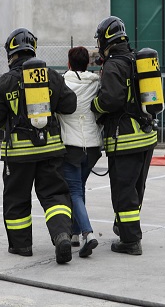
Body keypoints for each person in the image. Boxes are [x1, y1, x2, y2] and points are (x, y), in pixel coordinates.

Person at [0, 28, 77, 264]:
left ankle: (22, 246)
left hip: (18, 155)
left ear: (11, 53)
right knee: (55, 195)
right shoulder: (51, 75)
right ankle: (61, 235)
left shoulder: (6, 81)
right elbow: (70, 105)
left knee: (17, 199)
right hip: (50, 150)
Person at [90, 16, 157, 255]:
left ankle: (130, 241)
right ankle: (125, 227)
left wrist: (94, 105)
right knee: (136, 188)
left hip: (125, 138)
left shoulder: (113, 65)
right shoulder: (136, 59)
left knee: (124, 190)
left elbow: (111, 100)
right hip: (147, 136)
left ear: (105, 40)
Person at [56, 46, 102, 258]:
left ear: (68, 63)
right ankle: (75, 233)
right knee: (79, 189)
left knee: (73, 191)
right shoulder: (95, 82)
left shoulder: (62, 82)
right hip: (92, 146)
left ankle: (88, 233)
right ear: (88, 64)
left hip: (71, 145)